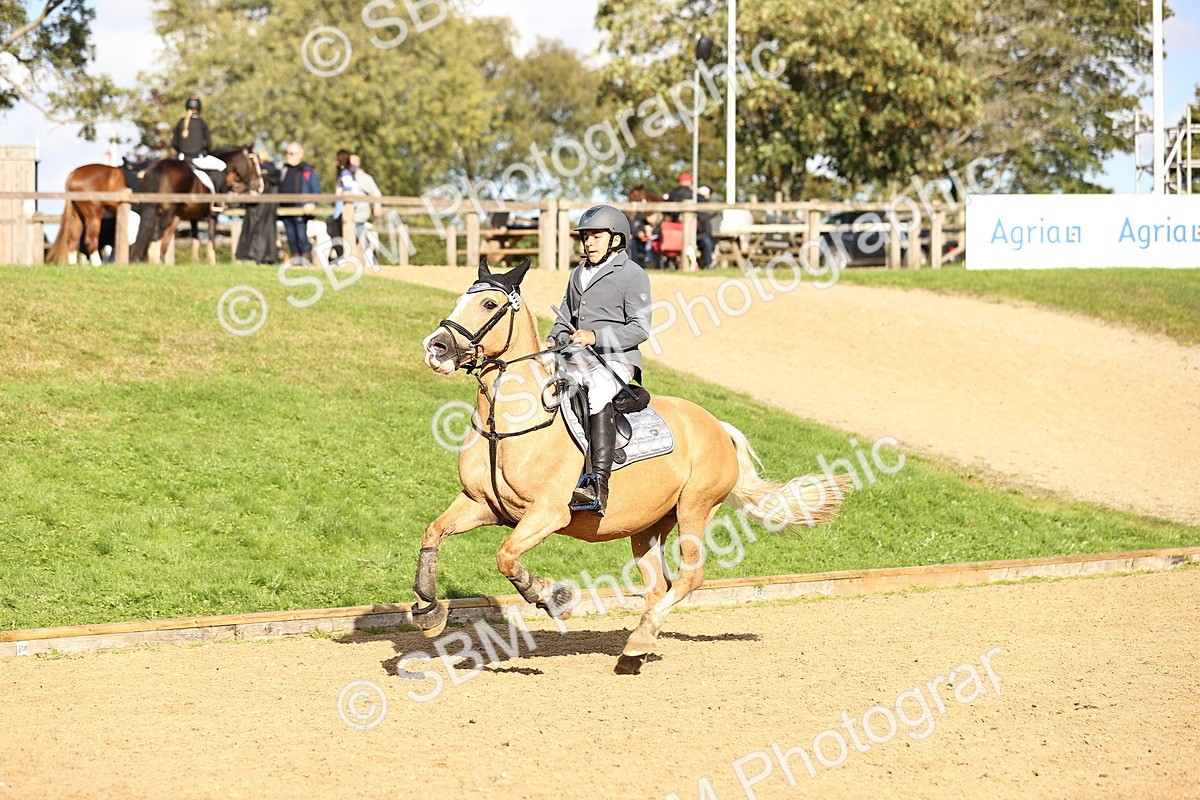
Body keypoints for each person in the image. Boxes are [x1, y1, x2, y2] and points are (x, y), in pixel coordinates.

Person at [545, 205, 652, 516]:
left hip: (616, 359)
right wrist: (554, 340)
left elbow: (639, 328)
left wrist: (595, 336)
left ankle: (597, 483)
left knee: (598, 390)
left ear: (615, 239)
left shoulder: (632, 274)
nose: (589, 242)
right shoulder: (577, 274)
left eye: (596, 236)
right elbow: (565, 318)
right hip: (577, 356)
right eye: (586, 237)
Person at [235, 149, 280, 264]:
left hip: (256, 208)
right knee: (266, 232)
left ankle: (251, 256)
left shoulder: (257, 174)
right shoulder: (274, 173)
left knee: (253, 230)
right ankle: (265, 257)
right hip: (268, 209)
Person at [278, 142, 320, 264]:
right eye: (287, 153)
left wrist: (312, 203)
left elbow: (316, 190)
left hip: (301, 210)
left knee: (302, 236)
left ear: (300, 154)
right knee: (291, 237)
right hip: (285, 210)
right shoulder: (284, 170)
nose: (289, 156)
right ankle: (296, 261)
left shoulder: (308, 170)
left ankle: (306, 260)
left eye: (292, 153)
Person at [171, 96, 225, 173]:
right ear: (199, 108)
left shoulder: (180, 123)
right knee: (223, 166)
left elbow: (174, 143)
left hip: (182, 159)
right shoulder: (202, 123)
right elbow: (209, 145)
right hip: (199, 160)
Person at [696, 185, 716, 269]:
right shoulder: (707, 206)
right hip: (702, 236)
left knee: (707, 241)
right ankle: (709, 264)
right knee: (707, 242)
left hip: (700, 235)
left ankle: (708, 264)